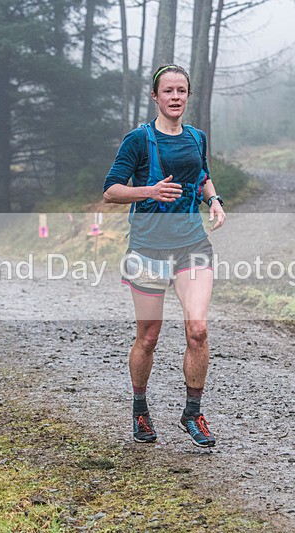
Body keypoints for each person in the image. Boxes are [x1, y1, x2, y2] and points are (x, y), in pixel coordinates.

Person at [103, 65, 226, 448]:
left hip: (192, 244)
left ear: (188, 96)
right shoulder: (138, 141)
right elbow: (111, 191)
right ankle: (140, 407)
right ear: (155, 97)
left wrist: (214, 200)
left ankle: (192, 412)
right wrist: (150, 192)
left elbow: (201, 174)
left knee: (198, 329)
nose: (175, 97)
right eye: (168, 91)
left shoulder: (195, 137)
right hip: (148, 249)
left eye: (182, 91)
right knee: (149, 336)